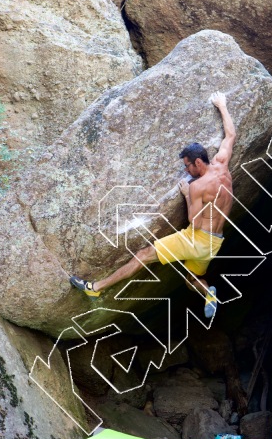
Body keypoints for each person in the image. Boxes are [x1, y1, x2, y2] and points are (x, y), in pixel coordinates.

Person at [70, 91, 236, 318]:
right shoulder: (222, 164)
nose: (187, 170)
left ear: (198, 162)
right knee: (192, 278)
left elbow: (194, 222)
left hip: (197, 239)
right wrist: (222, 105)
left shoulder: (198, 187)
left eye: (188, 166)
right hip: (215, 242)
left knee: (142, 255)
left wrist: (188, 194)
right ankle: (209, 294)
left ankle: (95, 289)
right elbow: (231, 134)